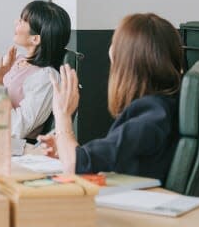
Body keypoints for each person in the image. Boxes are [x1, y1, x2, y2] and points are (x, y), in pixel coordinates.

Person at [38, 13, 181, 182]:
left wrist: (63, 118)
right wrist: (65, 146)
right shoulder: (160, 108)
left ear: (126, 61)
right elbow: (104, 157)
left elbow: (74, 166)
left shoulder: (153, 116)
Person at [0, 1, 71, 139]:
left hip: (16, 152)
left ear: (35, 39)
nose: (16, 22)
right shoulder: (15, 61)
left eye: (22, 21)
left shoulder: (46, 77)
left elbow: (16, 129)